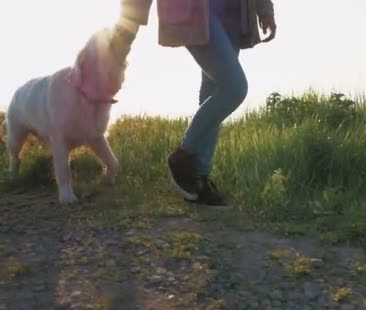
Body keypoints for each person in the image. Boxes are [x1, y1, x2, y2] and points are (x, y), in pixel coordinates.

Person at [111, 0, 277, 208]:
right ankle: (183, 155)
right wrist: (129, 22)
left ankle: (199, 179)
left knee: (213, 90)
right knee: (234, 88)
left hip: (234, 11)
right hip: (195, 10)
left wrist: (265, 11)